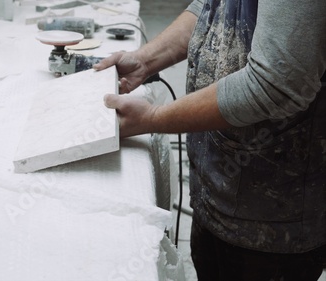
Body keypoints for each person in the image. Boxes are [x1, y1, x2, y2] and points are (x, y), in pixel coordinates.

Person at [94, 0, 326, 280]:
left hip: (273, 217)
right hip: (218, 187)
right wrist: (145, 61)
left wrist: (154, 117)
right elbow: (212, 8)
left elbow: (274, 84)